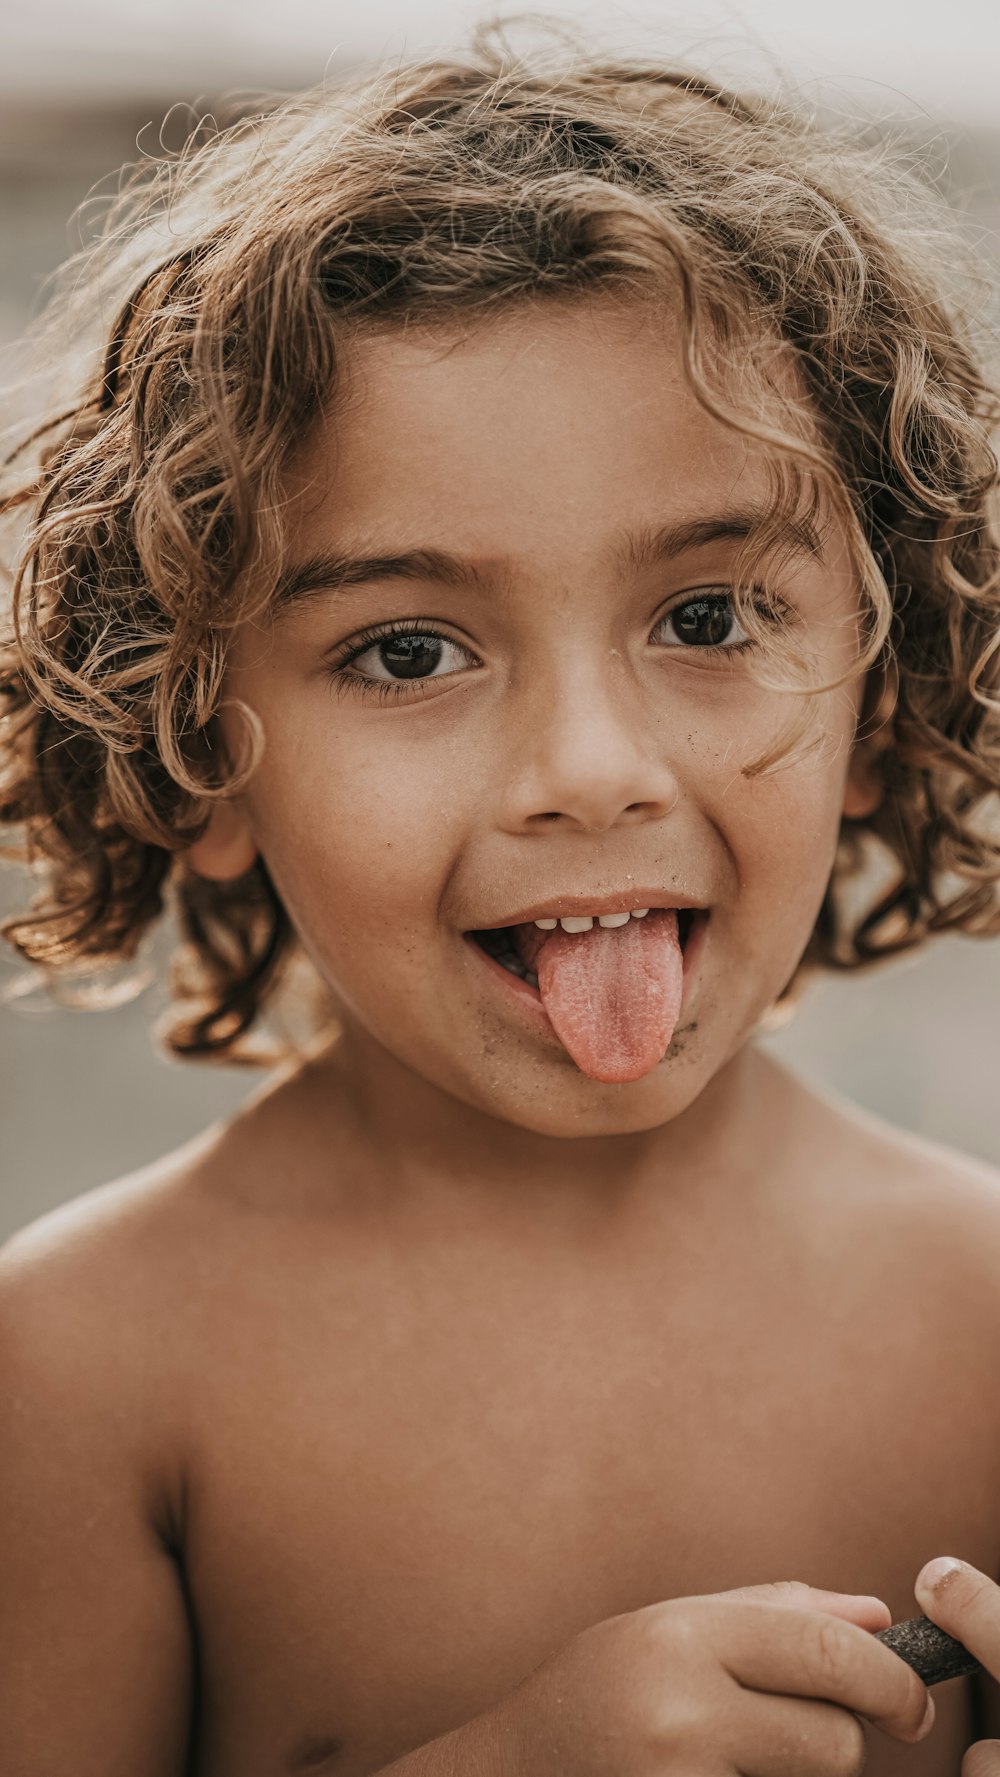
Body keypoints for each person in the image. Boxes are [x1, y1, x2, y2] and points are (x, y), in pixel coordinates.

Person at [1, 18, 999, 1776]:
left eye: (708, 617)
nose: (589, 766)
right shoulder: (78, 1376)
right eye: (407, 648)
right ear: (194, 749)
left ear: (882, 684)